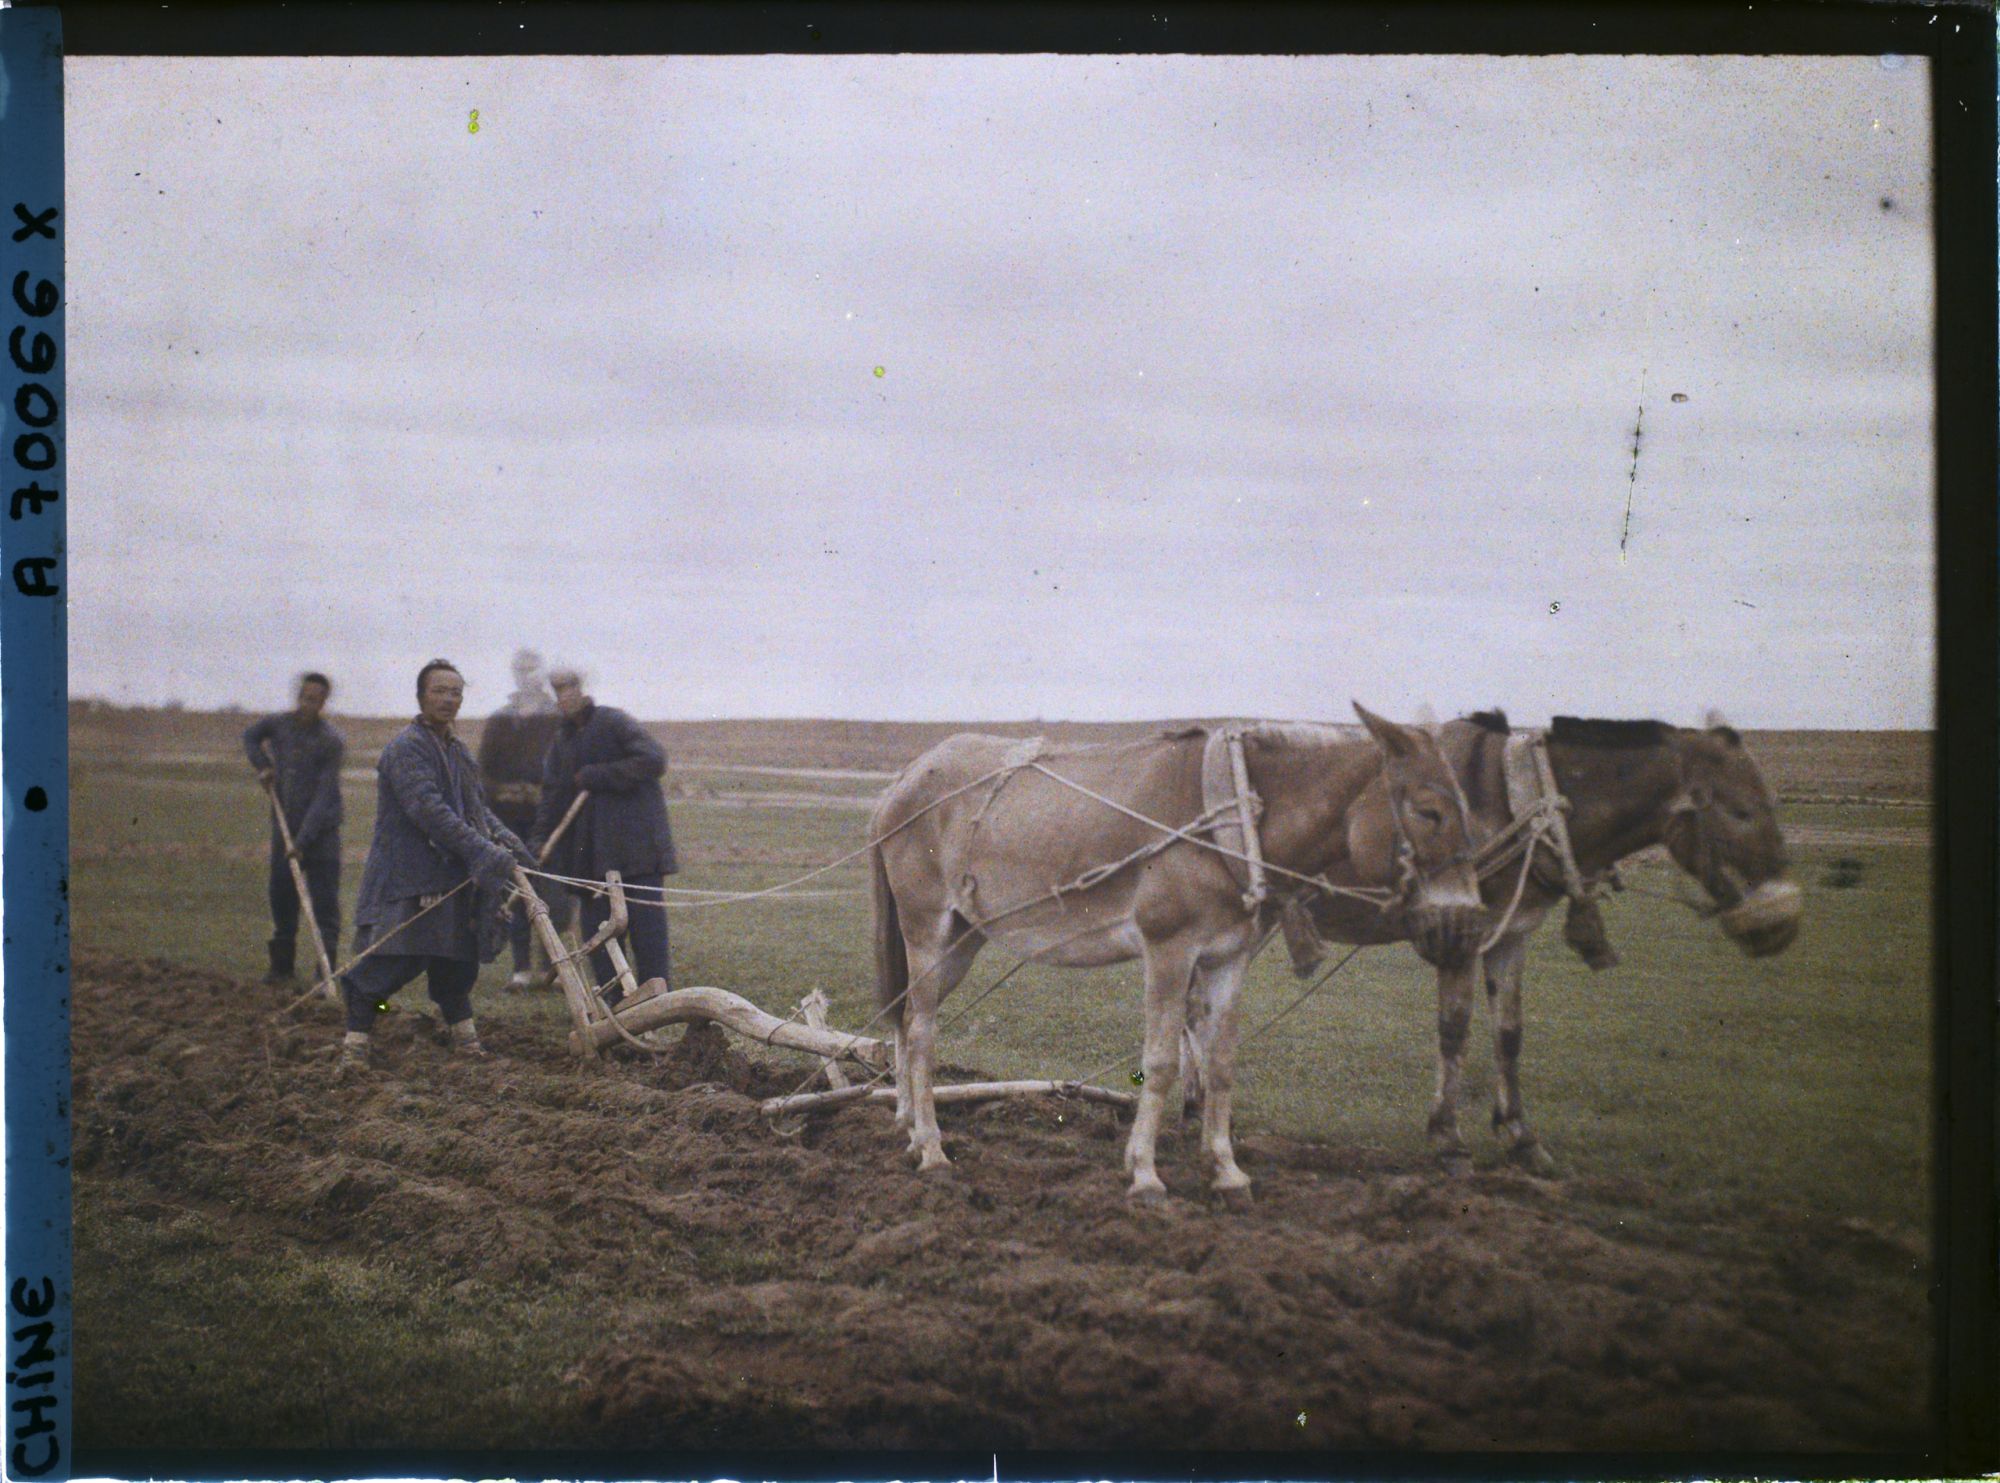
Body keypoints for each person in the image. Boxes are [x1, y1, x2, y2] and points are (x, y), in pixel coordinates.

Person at [336, 658, 534, 1075]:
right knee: (396, 963)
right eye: (439, 691)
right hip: (411, 877)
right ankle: (355, 1045)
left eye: (456, 692)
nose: (448, 699)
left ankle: (467, 1044)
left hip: (452, 876)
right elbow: (430, 811)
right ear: (421, 696)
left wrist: (505, 839)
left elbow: (474, 808)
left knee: (457, 964)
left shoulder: (456, 750)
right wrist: (482, 851)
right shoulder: (406, 749)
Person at [530, 668, 678, 1009]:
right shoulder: (562, 742)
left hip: (638, 852)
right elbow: (552, 795)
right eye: (557, 689)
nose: (565, 695)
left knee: (648, 935)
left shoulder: (614, 722)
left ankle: (659, 1007)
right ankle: (614, 1008)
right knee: (599, 937)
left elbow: (654, 759)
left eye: (570, 687)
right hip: (591, 858)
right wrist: (539, 839)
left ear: (584, 689)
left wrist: (601, 775)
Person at [476, 647, 573, 989]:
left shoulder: (558, 718)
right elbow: (483, 771)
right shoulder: (500, 719)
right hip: (508, 820)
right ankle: (521, 969)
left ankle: (553, 967)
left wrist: (543, 792)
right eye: (521, 669)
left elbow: (569, 767)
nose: (527, 675)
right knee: (516, 889)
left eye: (532, 669)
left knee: (554, 893)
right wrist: (501, 792)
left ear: (541, 673)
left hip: (551, 821)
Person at [242, 672, 344, 984]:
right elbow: (250, 737)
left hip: (321, 834)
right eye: (305, 697)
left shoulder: (331, 741)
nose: (309, 704)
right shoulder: (278, 725)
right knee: (282, 897)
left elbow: (324, 796)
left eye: (317, 700)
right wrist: (263, 766)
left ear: (324, 703)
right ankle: (281, 970)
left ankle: (324, 975)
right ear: (299, 696)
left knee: (324, 906)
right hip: (284, 828)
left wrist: (303, 841)